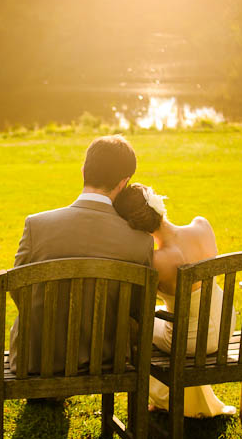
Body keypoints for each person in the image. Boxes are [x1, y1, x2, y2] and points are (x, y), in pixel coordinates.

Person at [9, 135, 154, 376]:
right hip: (107, 360)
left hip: (34, 360)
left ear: (84, 170)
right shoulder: (140, 241)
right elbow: (139, 308)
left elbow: (18, 290)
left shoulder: (37, 225)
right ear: (124, 182)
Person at [114, 182, 236, 417]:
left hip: (190, 342)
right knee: (176, 320)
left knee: (132, 329)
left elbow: (138, 306)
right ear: (157, 204)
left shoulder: (157, 261)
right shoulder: (202, 225)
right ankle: (191, 402)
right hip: (225, 326)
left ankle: (166, 399)